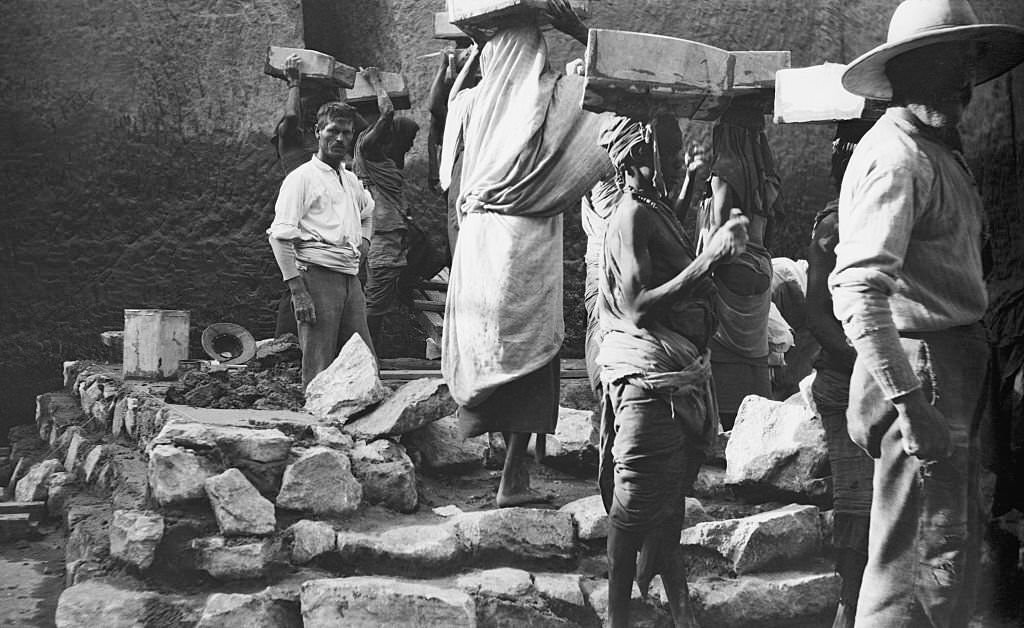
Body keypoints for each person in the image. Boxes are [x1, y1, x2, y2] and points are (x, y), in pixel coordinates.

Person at [831, 1, 1024, 625]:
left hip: (949, 368)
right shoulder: (897, 157)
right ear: (905, 72)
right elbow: (858, 290)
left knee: (944, 553)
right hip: (924, 373)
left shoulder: (937, 147)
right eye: (944, 65)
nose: (963, 82)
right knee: (914, 565)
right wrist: (912, 406)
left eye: (967, 65)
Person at [441, 0, 613, 507]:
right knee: (530, 358)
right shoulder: (555, 102)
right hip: (527, 252)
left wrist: (480, 47)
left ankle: (500, 467)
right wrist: (579, 32)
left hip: (478, 248)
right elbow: (621, 84)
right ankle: (513, 480)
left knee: (487, 345)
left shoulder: (473, 106)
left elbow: (449, 162)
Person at [596, 116, 749, 628]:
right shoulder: (629, 216)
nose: (670, 157)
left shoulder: (654, 204)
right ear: (630, 163)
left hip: (678, 375)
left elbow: (668, 239)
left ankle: (679, 608)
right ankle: (617, 615)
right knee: (637, 501)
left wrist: (690, 186)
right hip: (647, 378)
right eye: (659, 150)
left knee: (670, 505)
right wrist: (709, 259)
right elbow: (638, 304)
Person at [806, 119, 876, 628]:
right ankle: (851, 603)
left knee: (863, 501)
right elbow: (817, 316)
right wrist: (868, 357)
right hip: (850, 382)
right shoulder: (837, 224)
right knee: (858, 502)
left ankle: (856, 603)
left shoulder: (849, 218)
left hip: (857, 375)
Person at [267, 102, 376, 389]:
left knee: (363, 362)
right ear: (318, 132)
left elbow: (368, 214)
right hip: (316, 276)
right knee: (319, 366)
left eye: (347, 133)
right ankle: (314, 428)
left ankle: (364, 431)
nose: (340, 139)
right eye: (333, 131)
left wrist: (364, 243)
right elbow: (279, 236)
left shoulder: (350, 180)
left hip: (350, 280)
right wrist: (298, 291)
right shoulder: (301, 179)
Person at [697, 100, 782, 428]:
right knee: (754, 352)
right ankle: (755, 423)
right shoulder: (766, 174)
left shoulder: (725, 169)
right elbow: (770, 231)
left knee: (722, 352)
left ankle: (729, 430)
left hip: (732, 270)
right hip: (761, 267)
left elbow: (720, 234)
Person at [353, 67, 420, 353]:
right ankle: (367, 355)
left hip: (382, 237)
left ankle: (368, 354)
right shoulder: (373, 154)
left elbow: (379, 121)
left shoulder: (375, 158)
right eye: (409, 141)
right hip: (383, 239)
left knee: (374, 301)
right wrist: (375, 81)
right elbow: (386, 114)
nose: (410, 146)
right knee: (374, 304)